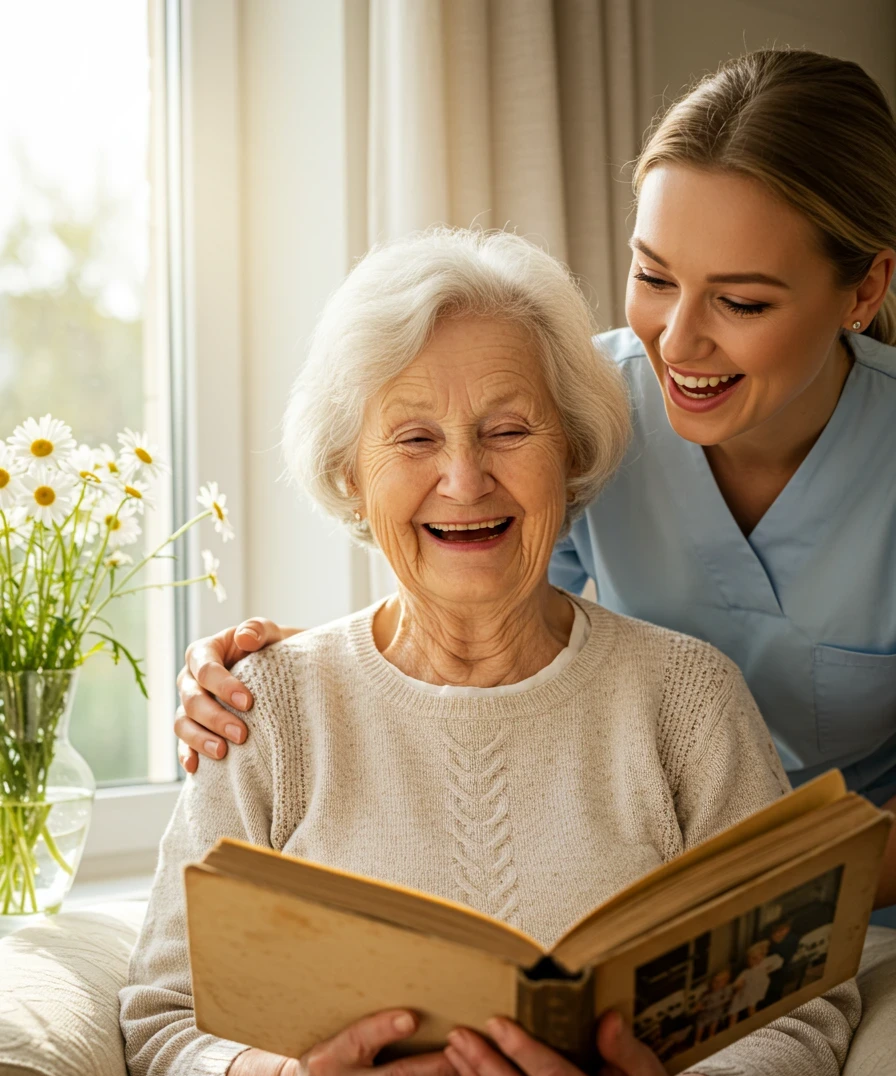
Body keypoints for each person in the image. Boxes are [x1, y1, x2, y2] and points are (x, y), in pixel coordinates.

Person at [121, 228, 857, 1076]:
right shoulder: (265, 703)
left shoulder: (685, 697)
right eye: (412, 438)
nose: (463, 478)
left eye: (507, 429)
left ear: (570, 449)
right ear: (348, 470)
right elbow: (159, 1027)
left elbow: (800, 1020)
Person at [173, 50, 896, 927]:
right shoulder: (570, 405)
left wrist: (751, 878)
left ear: (864, 288)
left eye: (741, 303)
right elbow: (487, 616)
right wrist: (303, 681)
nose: (678, 342)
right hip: (649, 912)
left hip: (855, 909)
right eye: (654, 278)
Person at [727, 940, 784, 1024]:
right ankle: (732, 1026)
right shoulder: (746, 972)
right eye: (751, 959)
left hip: (752, 991)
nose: (753, 961)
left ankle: (756, 1023)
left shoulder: (762, 966)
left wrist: (768, 967)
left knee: (751, 1006)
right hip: (742, 992)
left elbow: (778, 961)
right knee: (734, 1010)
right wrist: (737, 987)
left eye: (756, 959)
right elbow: (738, 983)